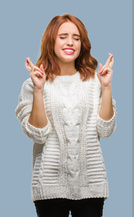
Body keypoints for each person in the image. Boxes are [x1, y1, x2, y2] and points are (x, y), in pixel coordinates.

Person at [15, 14, 116, 217]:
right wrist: (38, 90)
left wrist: (106, 87)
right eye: (63, 36)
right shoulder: (33, 84)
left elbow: (105, 130)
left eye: (76, 38)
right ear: (51, 41)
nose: (70, 42)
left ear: (82, 44)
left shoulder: (95, 82)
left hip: (90, 184)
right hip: (50, 186)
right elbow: (38, 134)